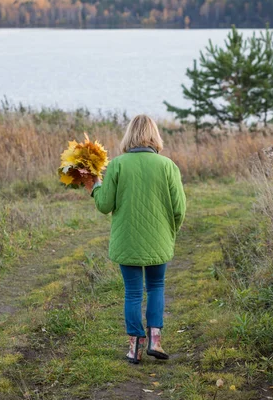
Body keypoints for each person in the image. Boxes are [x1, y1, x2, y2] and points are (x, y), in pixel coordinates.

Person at [90, 114, 186, 364]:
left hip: (127, 240)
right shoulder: (167, 166)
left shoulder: (118, 165)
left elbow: (104, 205)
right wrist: (170, 232)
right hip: (159, 238)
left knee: (133, 293)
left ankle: (135, 348)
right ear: (155, 135)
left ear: (129, 135)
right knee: (156, 287)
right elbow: (179, 208)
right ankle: (155, 339)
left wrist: (95, 184)